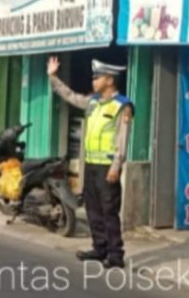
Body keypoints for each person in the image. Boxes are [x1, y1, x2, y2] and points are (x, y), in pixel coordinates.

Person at [47, 56, 133, 269]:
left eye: (97, 78)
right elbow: (70, 96)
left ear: (110, 80)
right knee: (93, 209)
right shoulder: (93, 102)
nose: (93, 81)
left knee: (109, 211)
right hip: (91, 165)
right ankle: (99, 247)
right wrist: (53, 77)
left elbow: (122, 140)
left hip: (107, 167)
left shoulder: (122, 106)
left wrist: (116, 166)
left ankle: (116, 254)